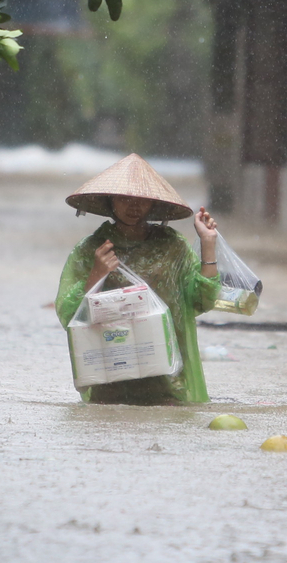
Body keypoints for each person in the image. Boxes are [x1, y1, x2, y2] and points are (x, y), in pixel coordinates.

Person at [56, 154, 220, 404]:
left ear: (153, 204)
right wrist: (97, 275)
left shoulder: (172, 247)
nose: (133, 206)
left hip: (167, 378)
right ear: (110, 201)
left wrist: (208, 243)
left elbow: (203, 299)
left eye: (141, 200)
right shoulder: (91, 249)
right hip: (109, 376)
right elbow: (70, 314)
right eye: (124, 198)